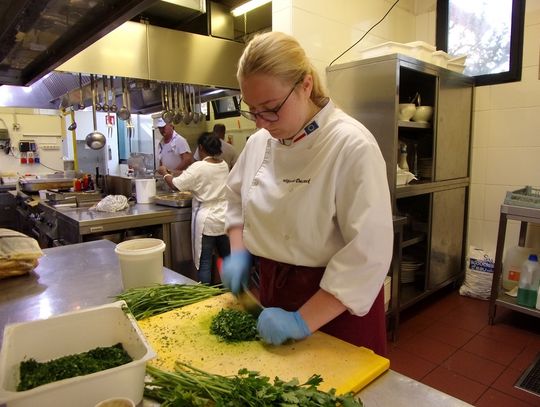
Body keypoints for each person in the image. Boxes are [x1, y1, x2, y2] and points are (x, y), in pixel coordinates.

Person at [221, 32, 393, 356]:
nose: (261, 124)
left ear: (306, 85)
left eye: (270, 109)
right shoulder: (261, 142)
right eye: (252, 110)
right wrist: (238, 249)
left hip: (334, 307)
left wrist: (301, 321)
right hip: (271, 296)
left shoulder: (351, 145)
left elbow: (368, 252)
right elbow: (234, 196)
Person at [158, 133, 230, 284]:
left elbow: (176, 184)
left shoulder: (199, 167)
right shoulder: (223, 165)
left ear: (201, 148)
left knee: (204, 262)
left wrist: (165, 173)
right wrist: (174, 173)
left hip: (207, 221)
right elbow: (194, 176)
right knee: (226, 258)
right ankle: (232, 292)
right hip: (223, 218)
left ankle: (205, 297)